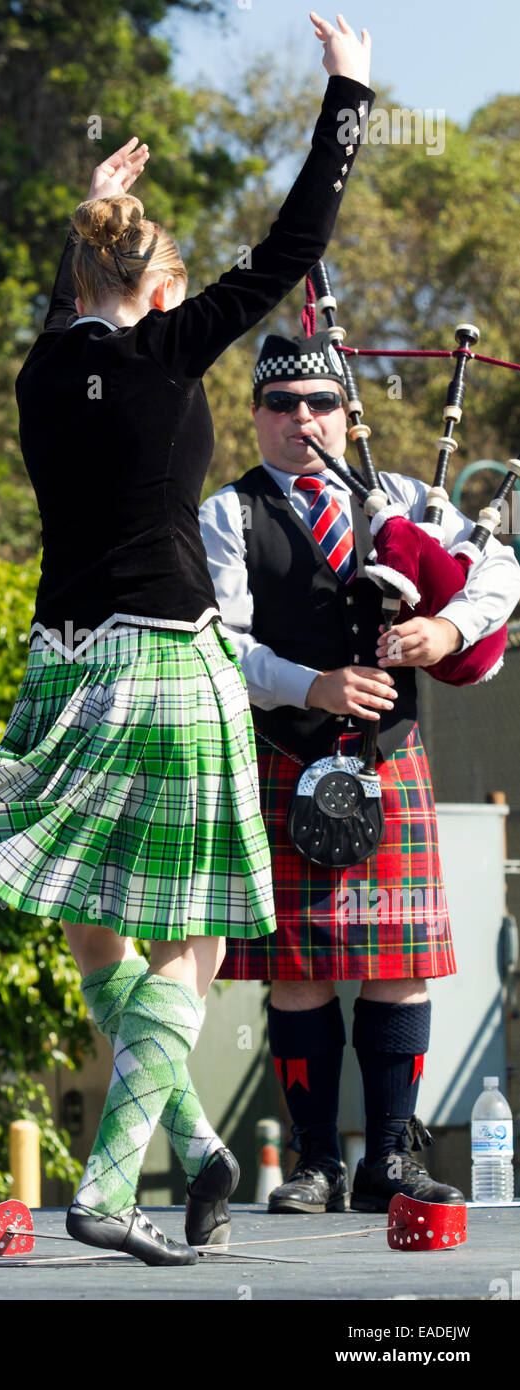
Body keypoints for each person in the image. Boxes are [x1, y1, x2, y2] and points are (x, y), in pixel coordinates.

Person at [0, 14, 374, 1263]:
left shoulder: (43, 370)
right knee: (197, 920)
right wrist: (349, 96)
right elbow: (296, 246)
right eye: (175, 288)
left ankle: (192, 1149)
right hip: (163, 666)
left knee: (97, 915)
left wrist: (93, 208)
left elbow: (74, 299)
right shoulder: (166, 350)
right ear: (155, 292)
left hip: (61, 671)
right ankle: (105, 1181)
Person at [198, 328, 520, 1213]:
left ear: (346, 414)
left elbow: (498, 571)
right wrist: (316, 685)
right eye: (281, 405)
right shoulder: (227, 516)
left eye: (320, 404)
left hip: (388, 763)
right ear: (255, 417)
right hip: (285, 755)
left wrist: (446, 631)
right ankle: (313, 1165)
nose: (302, 420)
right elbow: (223, 644)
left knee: (398, 966)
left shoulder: (405, 498)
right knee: (296, 972)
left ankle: (388, 1162)